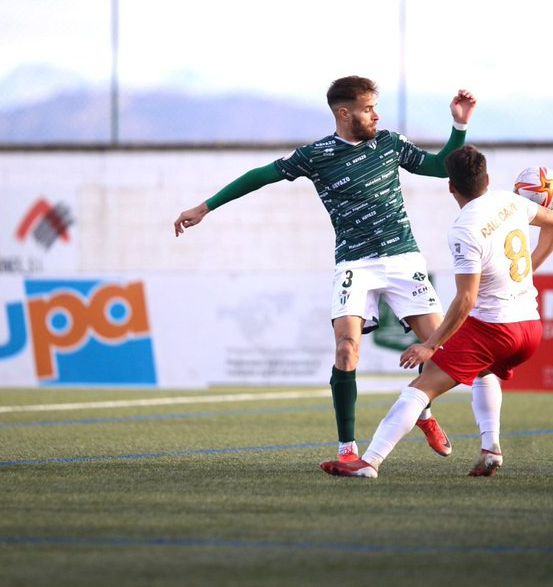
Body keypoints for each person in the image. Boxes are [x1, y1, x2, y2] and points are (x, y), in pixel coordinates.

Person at [174, 76, 479, 463]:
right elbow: (260, 176)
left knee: (443, 350)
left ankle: (422, 411)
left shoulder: (389, 143)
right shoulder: (315, 155)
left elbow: (440, 168)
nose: (376, 115)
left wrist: (459, 125)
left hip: (403, 259)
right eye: (368, 109)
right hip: (355, 263)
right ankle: (347, 449)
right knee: (346, 350)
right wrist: (206, 206)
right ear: (344, 112)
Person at [320, 144, 553, 478]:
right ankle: (490, 447)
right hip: (531, 328)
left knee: (419, 389)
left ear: (450, 186)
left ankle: (369, 462)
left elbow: (466, 300)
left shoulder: (463, 229)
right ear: (488, 178)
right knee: (484, 371)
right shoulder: (511, 202)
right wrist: (526, 271)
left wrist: (430, 345)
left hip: (496, 329)